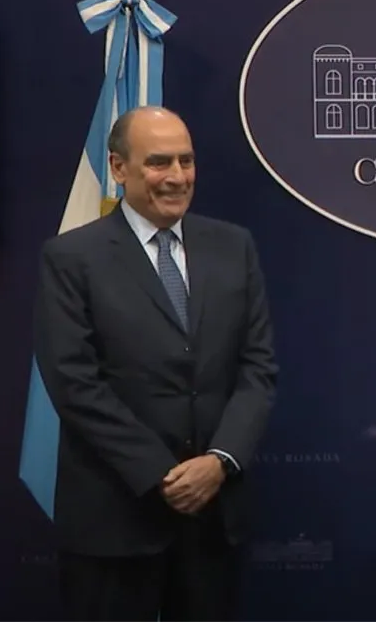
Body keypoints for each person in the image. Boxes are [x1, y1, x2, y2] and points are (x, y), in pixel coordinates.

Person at [33, 106, 277, 620]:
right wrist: (162, 474)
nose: (177, 177)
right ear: (118, 168)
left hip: (212, 518)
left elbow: (258, 368)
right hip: (115, 518)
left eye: (186, 162)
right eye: (159, 162)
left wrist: (221, 460)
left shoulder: (235, 247)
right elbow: (74, 382)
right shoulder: (72, 257)